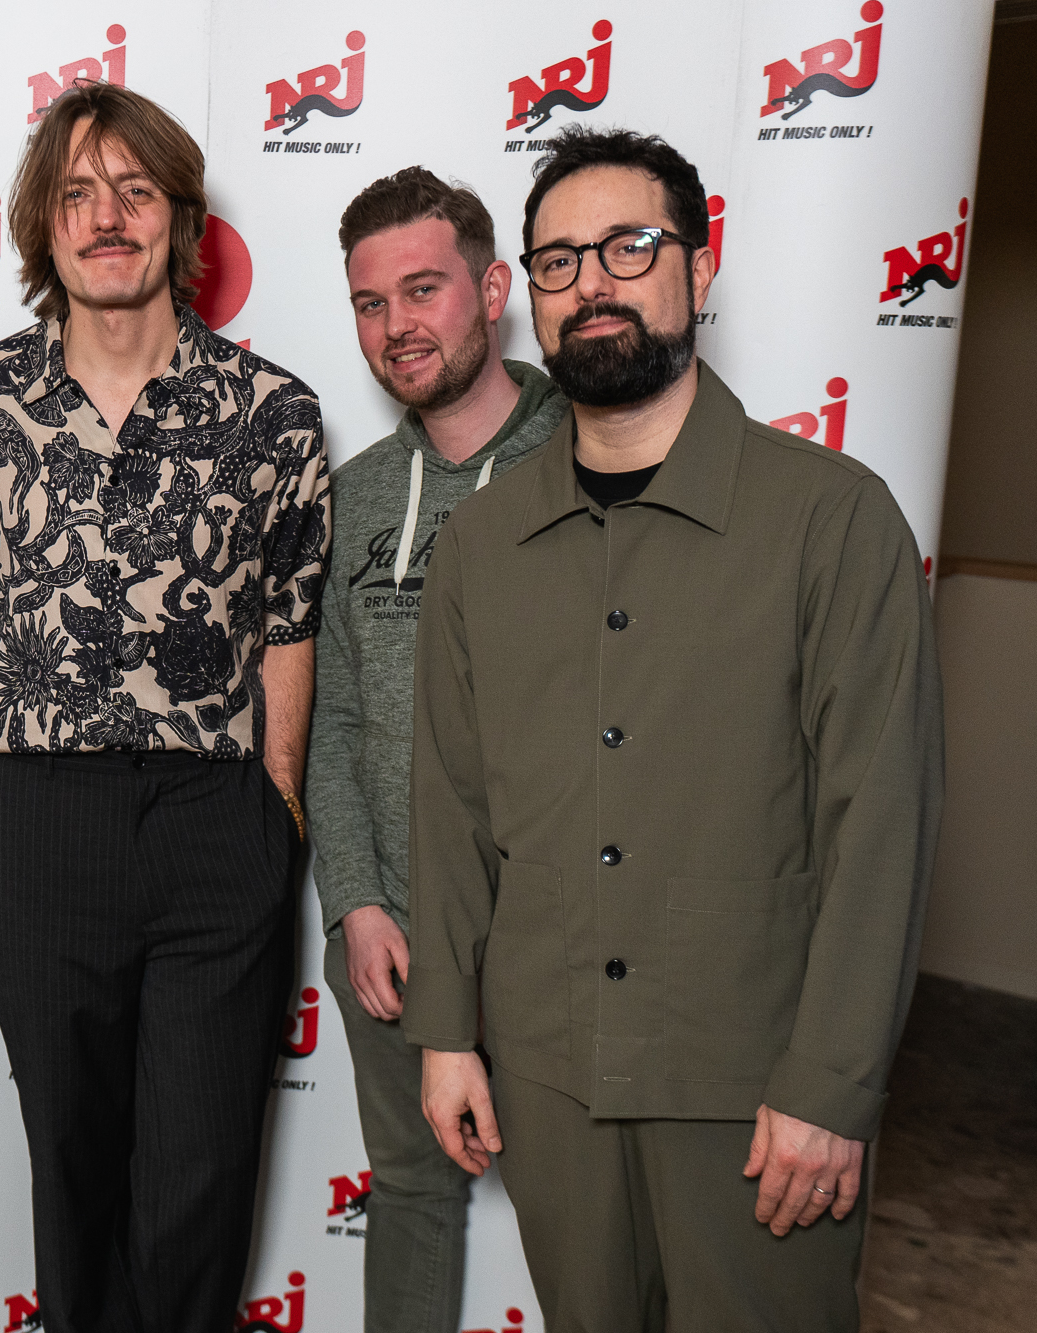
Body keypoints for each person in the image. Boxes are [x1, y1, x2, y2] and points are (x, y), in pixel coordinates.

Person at [403, 125, 943, 1331]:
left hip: (754, 1089)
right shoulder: (479, 548)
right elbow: (448, 803)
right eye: (557, 261)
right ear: (527, 297)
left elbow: (882, 823)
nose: (590, 283)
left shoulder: (833, 522)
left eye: (628, 246)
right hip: (546, 1075)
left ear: (699, 268)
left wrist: (831, 1084)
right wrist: (444, 1034)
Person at [0, 82, 330, 1332]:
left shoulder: (272, 410)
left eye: (134, 191)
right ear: (41, 226)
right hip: (37, 818)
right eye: (77, 194)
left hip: (215, 818)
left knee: (202, 1168)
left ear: (179, 220)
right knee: (73, 1157)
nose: (106, 217)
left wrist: (276, 809)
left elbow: (290, 623)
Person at [305, 167, 567, 1333]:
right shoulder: (356, 496)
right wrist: (356, 902)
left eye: (423, 289)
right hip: (396, 939)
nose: (396, 325)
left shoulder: (591, 455)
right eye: (370, 302)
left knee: (598, 1215)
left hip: (560, 937)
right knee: (409, 1196)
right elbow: (332, 722)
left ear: (492, 290)